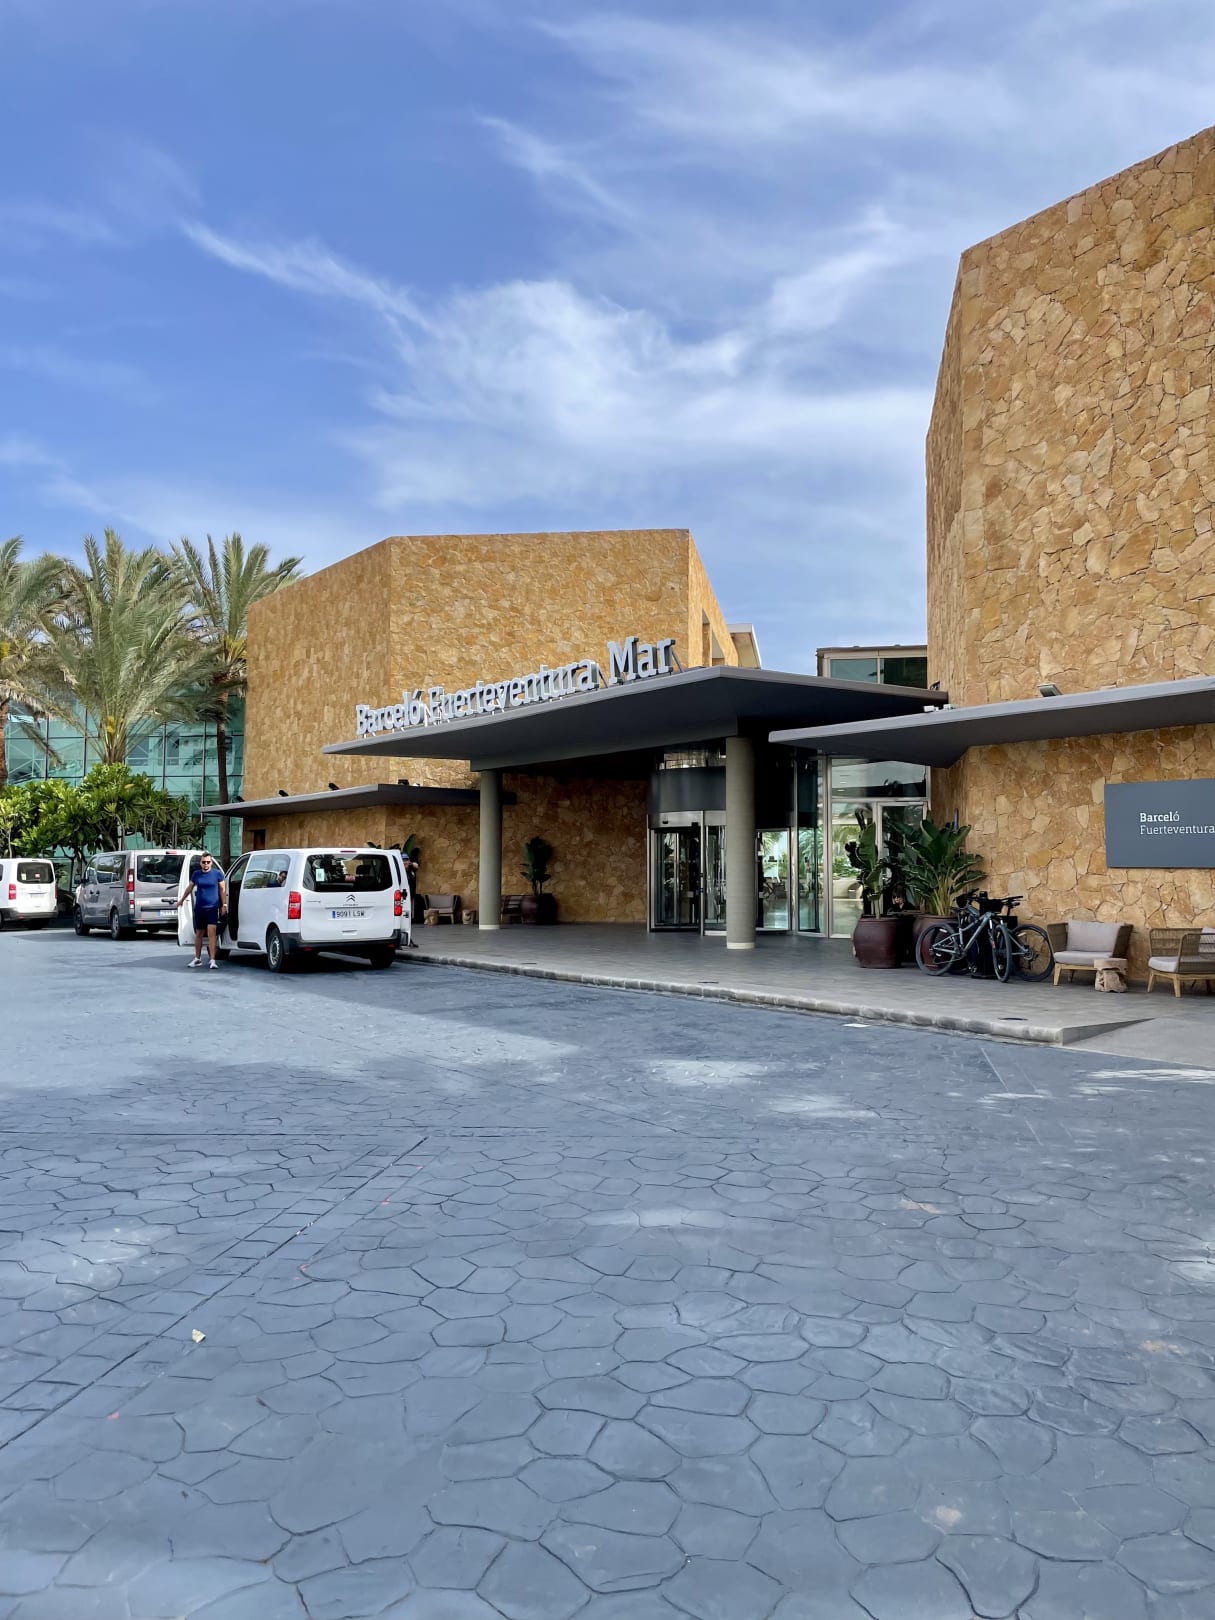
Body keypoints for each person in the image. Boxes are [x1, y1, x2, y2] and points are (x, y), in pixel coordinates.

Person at [177, 852, 226, 970]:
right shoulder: (196, 874)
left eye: (208, 862)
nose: (206, 864)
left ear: (211, 863)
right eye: (204, 862)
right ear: (200, 863)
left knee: (211, 932)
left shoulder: (217, 874)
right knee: (199, 933)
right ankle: (197, 958)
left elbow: (222, 889)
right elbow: (190, 888)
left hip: (212, 908)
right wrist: (182, 900)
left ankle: (212, 960)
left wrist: (224, 905)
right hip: (199, 908)